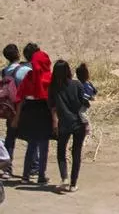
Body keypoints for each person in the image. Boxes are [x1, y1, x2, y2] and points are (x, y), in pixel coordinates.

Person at [48, 60, 89, 193]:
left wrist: (54, 123)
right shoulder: (76, 84)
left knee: (61, 151)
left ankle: (64, 177)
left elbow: (52, 107)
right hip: (78, 123)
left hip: (64, 123)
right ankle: (73, 184)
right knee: (76, 153)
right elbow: (85, 103)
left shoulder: (53, 88)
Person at [13, 44, 52, 184]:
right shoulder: (48, 77)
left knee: (32, 145)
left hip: (29, 111)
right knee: (44, 145)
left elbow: (20, 97)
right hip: (44, 110)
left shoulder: (29, 76)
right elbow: (52, 99)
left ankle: (25, 175)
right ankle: (41, 175)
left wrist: (17, 118)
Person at [2, 44, 30, 179]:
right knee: (32, 138)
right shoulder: (24, 70)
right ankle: (33, 168)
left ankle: (7, 168)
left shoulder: (4, 71)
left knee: (10, 137)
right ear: (18, 54)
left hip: (9, 109)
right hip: (23, 108)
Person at [74, 63, 96, 135]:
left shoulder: (82, 84)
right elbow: (94, 90)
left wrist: (90, 96)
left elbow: (85, 94)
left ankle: (87, 126)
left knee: (81, 113)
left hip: (83, 102)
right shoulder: (86, 83)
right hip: (82, 102)